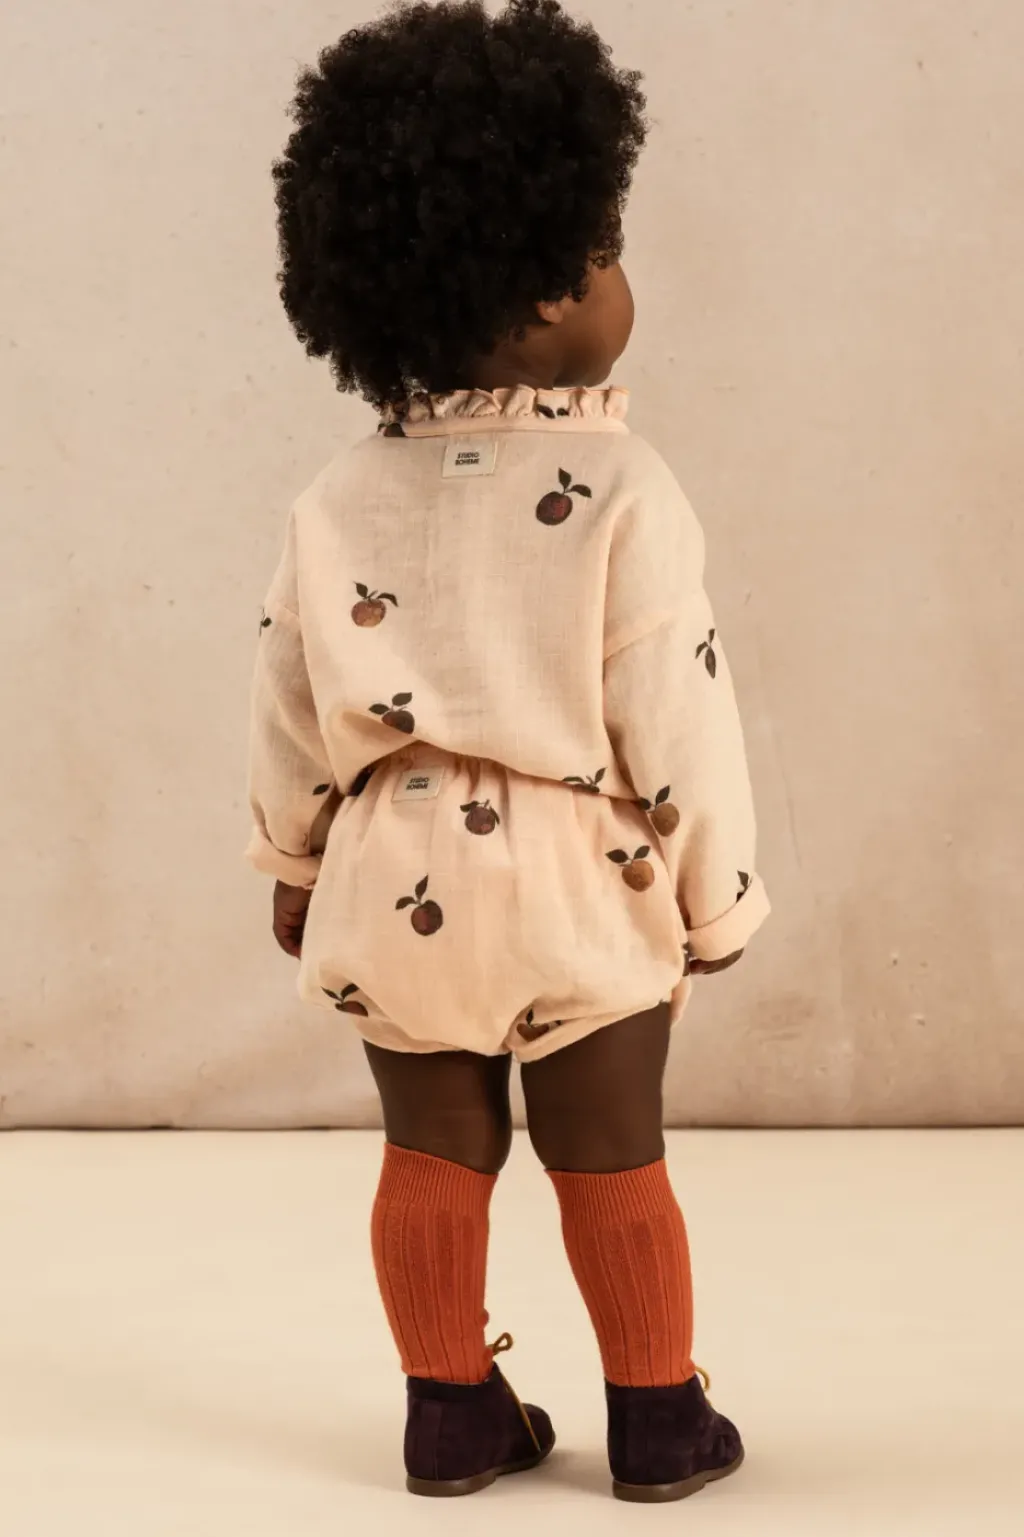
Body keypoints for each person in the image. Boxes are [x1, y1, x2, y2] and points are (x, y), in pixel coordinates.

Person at [248, 0, 769, 1504]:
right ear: (545, 295)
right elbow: (676, 710)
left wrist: (292, 863)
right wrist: (718, 899)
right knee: (609, 1155)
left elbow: (291, 697)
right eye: (603, 251)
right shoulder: (624, 487)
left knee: (433, 1151)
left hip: (389, 870)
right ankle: (658, 1419)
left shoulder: (337, 493)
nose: (618, 280)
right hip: (575, 878)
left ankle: (452, 1414)